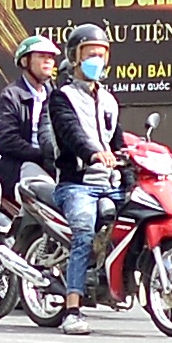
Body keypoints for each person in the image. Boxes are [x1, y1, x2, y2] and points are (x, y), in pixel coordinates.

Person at [36, 24, 124, 312]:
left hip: (109, 184)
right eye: (90, 54)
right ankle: (73, 307)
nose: (96, 60)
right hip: (76, 185)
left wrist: (133, 159)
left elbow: (120, 141)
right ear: (74, 57)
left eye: (101, 54)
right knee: (84, 231)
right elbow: (71, 134)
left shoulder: (109, 100)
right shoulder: (62, 97)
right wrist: (93, 154)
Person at [0, 33, 60, 198]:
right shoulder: (11, 96)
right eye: (42, 56)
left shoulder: (56, 95)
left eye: (51, 57)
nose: (48, 61)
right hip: (20, 167)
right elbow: (6, 140)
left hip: (52, 164)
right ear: (25, 61)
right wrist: (42, 155)